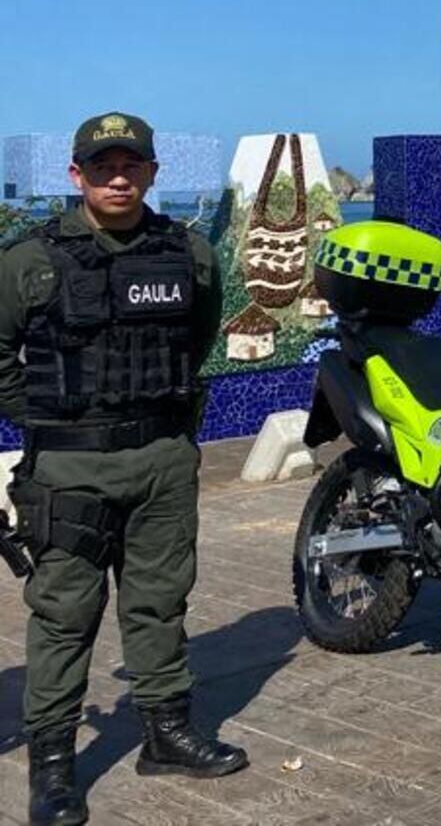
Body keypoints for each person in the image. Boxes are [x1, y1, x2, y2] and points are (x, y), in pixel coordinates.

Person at [0, 113, 249, 826]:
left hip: (163, 461)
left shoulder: (191, 253)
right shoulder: (31, 261)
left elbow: (198, 336)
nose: (118, 177)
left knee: (161, 602)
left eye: (130, 166)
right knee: (63, 615)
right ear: (75, 174)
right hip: (70, 468)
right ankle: (52, 767)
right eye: (101, 166)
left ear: (151, 173)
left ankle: (166, 734)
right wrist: (47, 413)